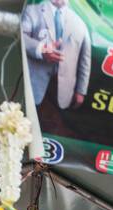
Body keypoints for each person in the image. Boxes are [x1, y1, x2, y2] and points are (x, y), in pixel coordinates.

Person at [21, 0, 90, 136]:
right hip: (35, 83)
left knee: (52, 130)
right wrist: (40, 49)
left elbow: (84, 58)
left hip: (63, 89)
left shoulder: (79, 22)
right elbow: (21, 36)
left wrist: (81, 90)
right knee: (25, 127)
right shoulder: (32, 11)